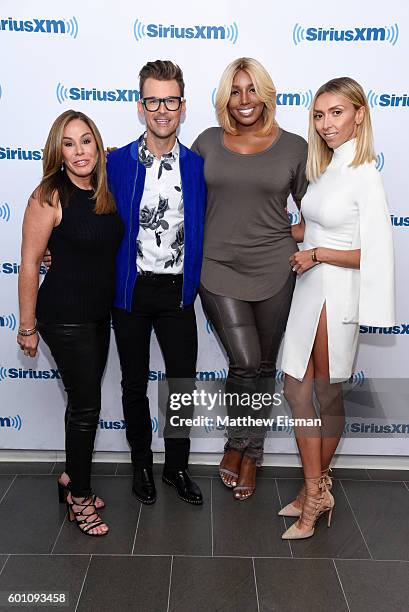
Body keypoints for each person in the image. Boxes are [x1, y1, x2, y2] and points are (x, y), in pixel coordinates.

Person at [279, 77, 395, 539]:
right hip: (310, 288)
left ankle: (314, 495)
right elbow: (309, 230)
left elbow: (375, 253)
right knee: (296, 389)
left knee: (325, 396)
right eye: (320, 115)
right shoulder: (326, 169)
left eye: (337, 113)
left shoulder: (366, 173)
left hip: (336, 291)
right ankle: (316, 488)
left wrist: (319, 255)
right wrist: (261, 230)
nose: (327, 124)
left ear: (359, 115)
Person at [191, 58, 308, 500]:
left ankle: (249, 454)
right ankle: (236, 445)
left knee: (262, 365)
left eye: (252, 89)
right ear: (225, 97)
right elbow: (168, 190)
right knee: (244, 361)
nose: (244, 100)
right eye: (235, 91)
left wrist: (291, 234)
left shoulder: (294, 147)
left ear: (266, 94)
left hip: (276, 268)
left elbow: (316, 211)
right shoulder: (206, 143)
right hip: (217, 267)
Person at [17, 110, 124, 536]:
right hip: (63, 317)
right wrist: (27, 326)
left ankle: (69, 479)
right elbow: (28, 265)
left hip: (98, 314)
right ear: (57, 151)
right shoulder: (49, 194)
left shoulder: (103, 189)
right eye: (69, 143)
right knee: (86, 407)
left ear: (97, 145)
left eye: (86, 141)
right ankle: (79, 498)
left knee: (81, 404)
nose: (79, 151)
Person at [107, 60, 206, 505]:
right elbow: (84, 215)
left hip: (177, 293)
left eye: (170, 100)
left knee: (181, 384)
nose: (161, 109)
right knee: (133, 383)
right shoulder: (115, 163)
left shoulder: (199, 167)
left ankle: (177, 468)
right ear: (141, 104)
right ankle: (142, 466)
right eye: (153, 100)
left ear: (182, 107)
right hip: (130, 291)